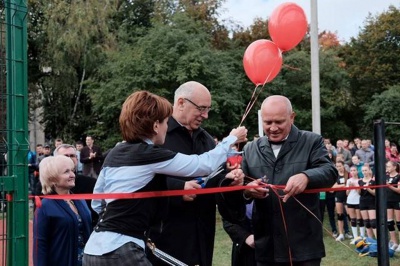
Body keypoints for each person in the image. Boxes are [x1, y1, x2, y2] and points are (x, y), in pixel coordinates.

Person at [82, 90, 247, 266]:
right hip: (122, 249)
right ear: (155, 126)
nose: (167, 128)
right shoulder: (150, 155)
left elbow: (98, 202)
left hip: (93, 250)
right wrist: (232, 139)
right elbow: (201, 164)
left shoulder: (114, 153)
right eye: (166, 122)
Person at [148, 81, 247, 266]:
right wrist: (178, 189)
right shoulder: (158, 137)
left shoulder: (207, 140)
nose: (206, 115)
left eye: (208, 109)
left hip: (202, 234)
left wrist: (229, 180)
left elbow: (216, 177)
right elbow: (145, 179)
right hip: (166, 234)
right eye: (201, 109)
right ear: (180, 103)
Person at [242, 95, 337, 265]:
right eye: (268, 122)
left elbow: (330, 171)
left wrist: (307, 176)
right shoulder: (250, 149)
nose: (273, 128)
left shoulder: (311, 141)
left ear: (292, 117)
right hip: (266, 247)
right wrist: (247, 190)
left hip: (303, 246)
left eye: (279, 122)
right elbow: (240, 187)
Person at [33, 155, 92, 266]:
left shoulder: (80, 200)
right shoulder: (45, 206)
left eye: (72, 170)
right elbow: (40, 244)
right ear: (52, 179)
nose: (72, 175)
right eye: (66, 172)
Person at [346, 165, 365, 243]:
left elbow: (360, 192)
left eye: (354, 170)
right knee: (352, 219)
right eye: (351, 170)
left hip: (358, 201)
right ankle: (355, 237)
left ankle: (362, 236)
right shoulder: (348, 180)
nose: (353, 172)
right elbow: (347, 193)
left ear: (357, 171)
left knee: (359, 219)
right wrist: (350, 187)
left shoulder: (360, 180)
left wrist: (356, 186)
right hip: (350, 200)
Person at [358, 164, 376, 239]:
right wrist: (358, 188)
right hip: (363, 202)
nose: (364, 172)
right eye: (363, 171)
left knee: (373, 223)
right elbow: (359, 193)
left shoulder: (373, 181)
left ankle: (378, 240)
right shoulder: (360, 181)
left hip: (371, 202)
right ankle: (370, 240)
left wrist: (368, 188)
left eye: (365, 170)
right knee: (367, 223)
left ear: (369, 170)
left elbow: (374, 193)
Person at [385, 160, 400, 251]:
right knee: (389, 222)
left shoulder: (398, 176)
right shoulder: (385, 176)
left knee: (399, 223)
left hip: (397, 200)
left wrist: (388, 186)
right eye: (387, 166)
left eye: (389, 166)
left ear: (394, 167)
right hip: (388, 201)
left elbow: (399, 190)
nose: (387, 168)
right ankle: (394, 242)